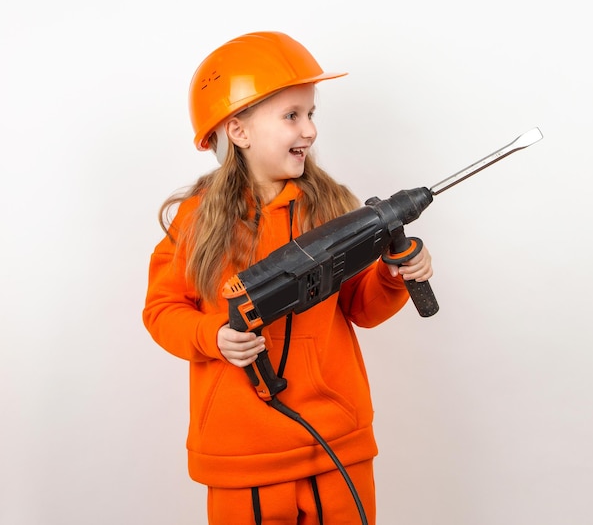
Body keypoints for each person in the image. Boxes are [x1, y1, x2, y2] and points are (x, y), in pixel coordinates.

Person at [143, 31, 433, 524]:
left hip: (338, 443)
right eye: (291, 116)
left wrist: (392, 273)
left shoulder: (332, 207)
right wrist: (212, 336)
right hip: (244, 454)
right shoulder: (198, 222)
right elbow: (161, 311)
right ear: (238, 130)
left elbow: (360, 308)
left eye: (311, 114)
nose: (310, 130)